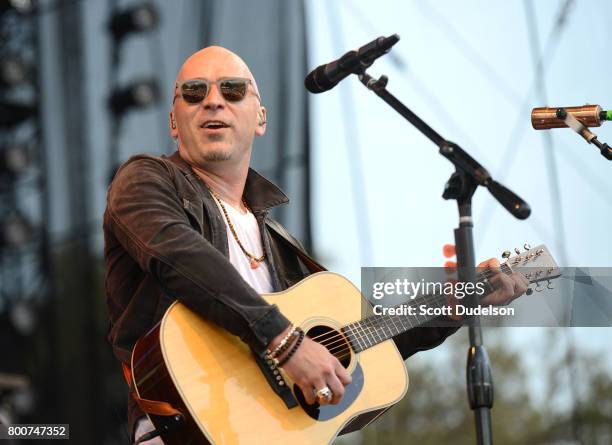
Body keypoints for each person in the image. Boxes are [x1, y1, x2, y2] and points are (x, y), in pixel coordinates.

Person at [103, 46, 528, 444]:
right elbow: (177, 256)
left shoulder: (280, 243)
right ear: (174, 121)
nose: (214, 101)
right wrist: (284, 341)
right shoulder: (146, 180)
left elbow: (351, 351)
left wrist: (449, 308)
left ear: (260, 117)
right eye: (194, 92)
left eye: (232, 90)